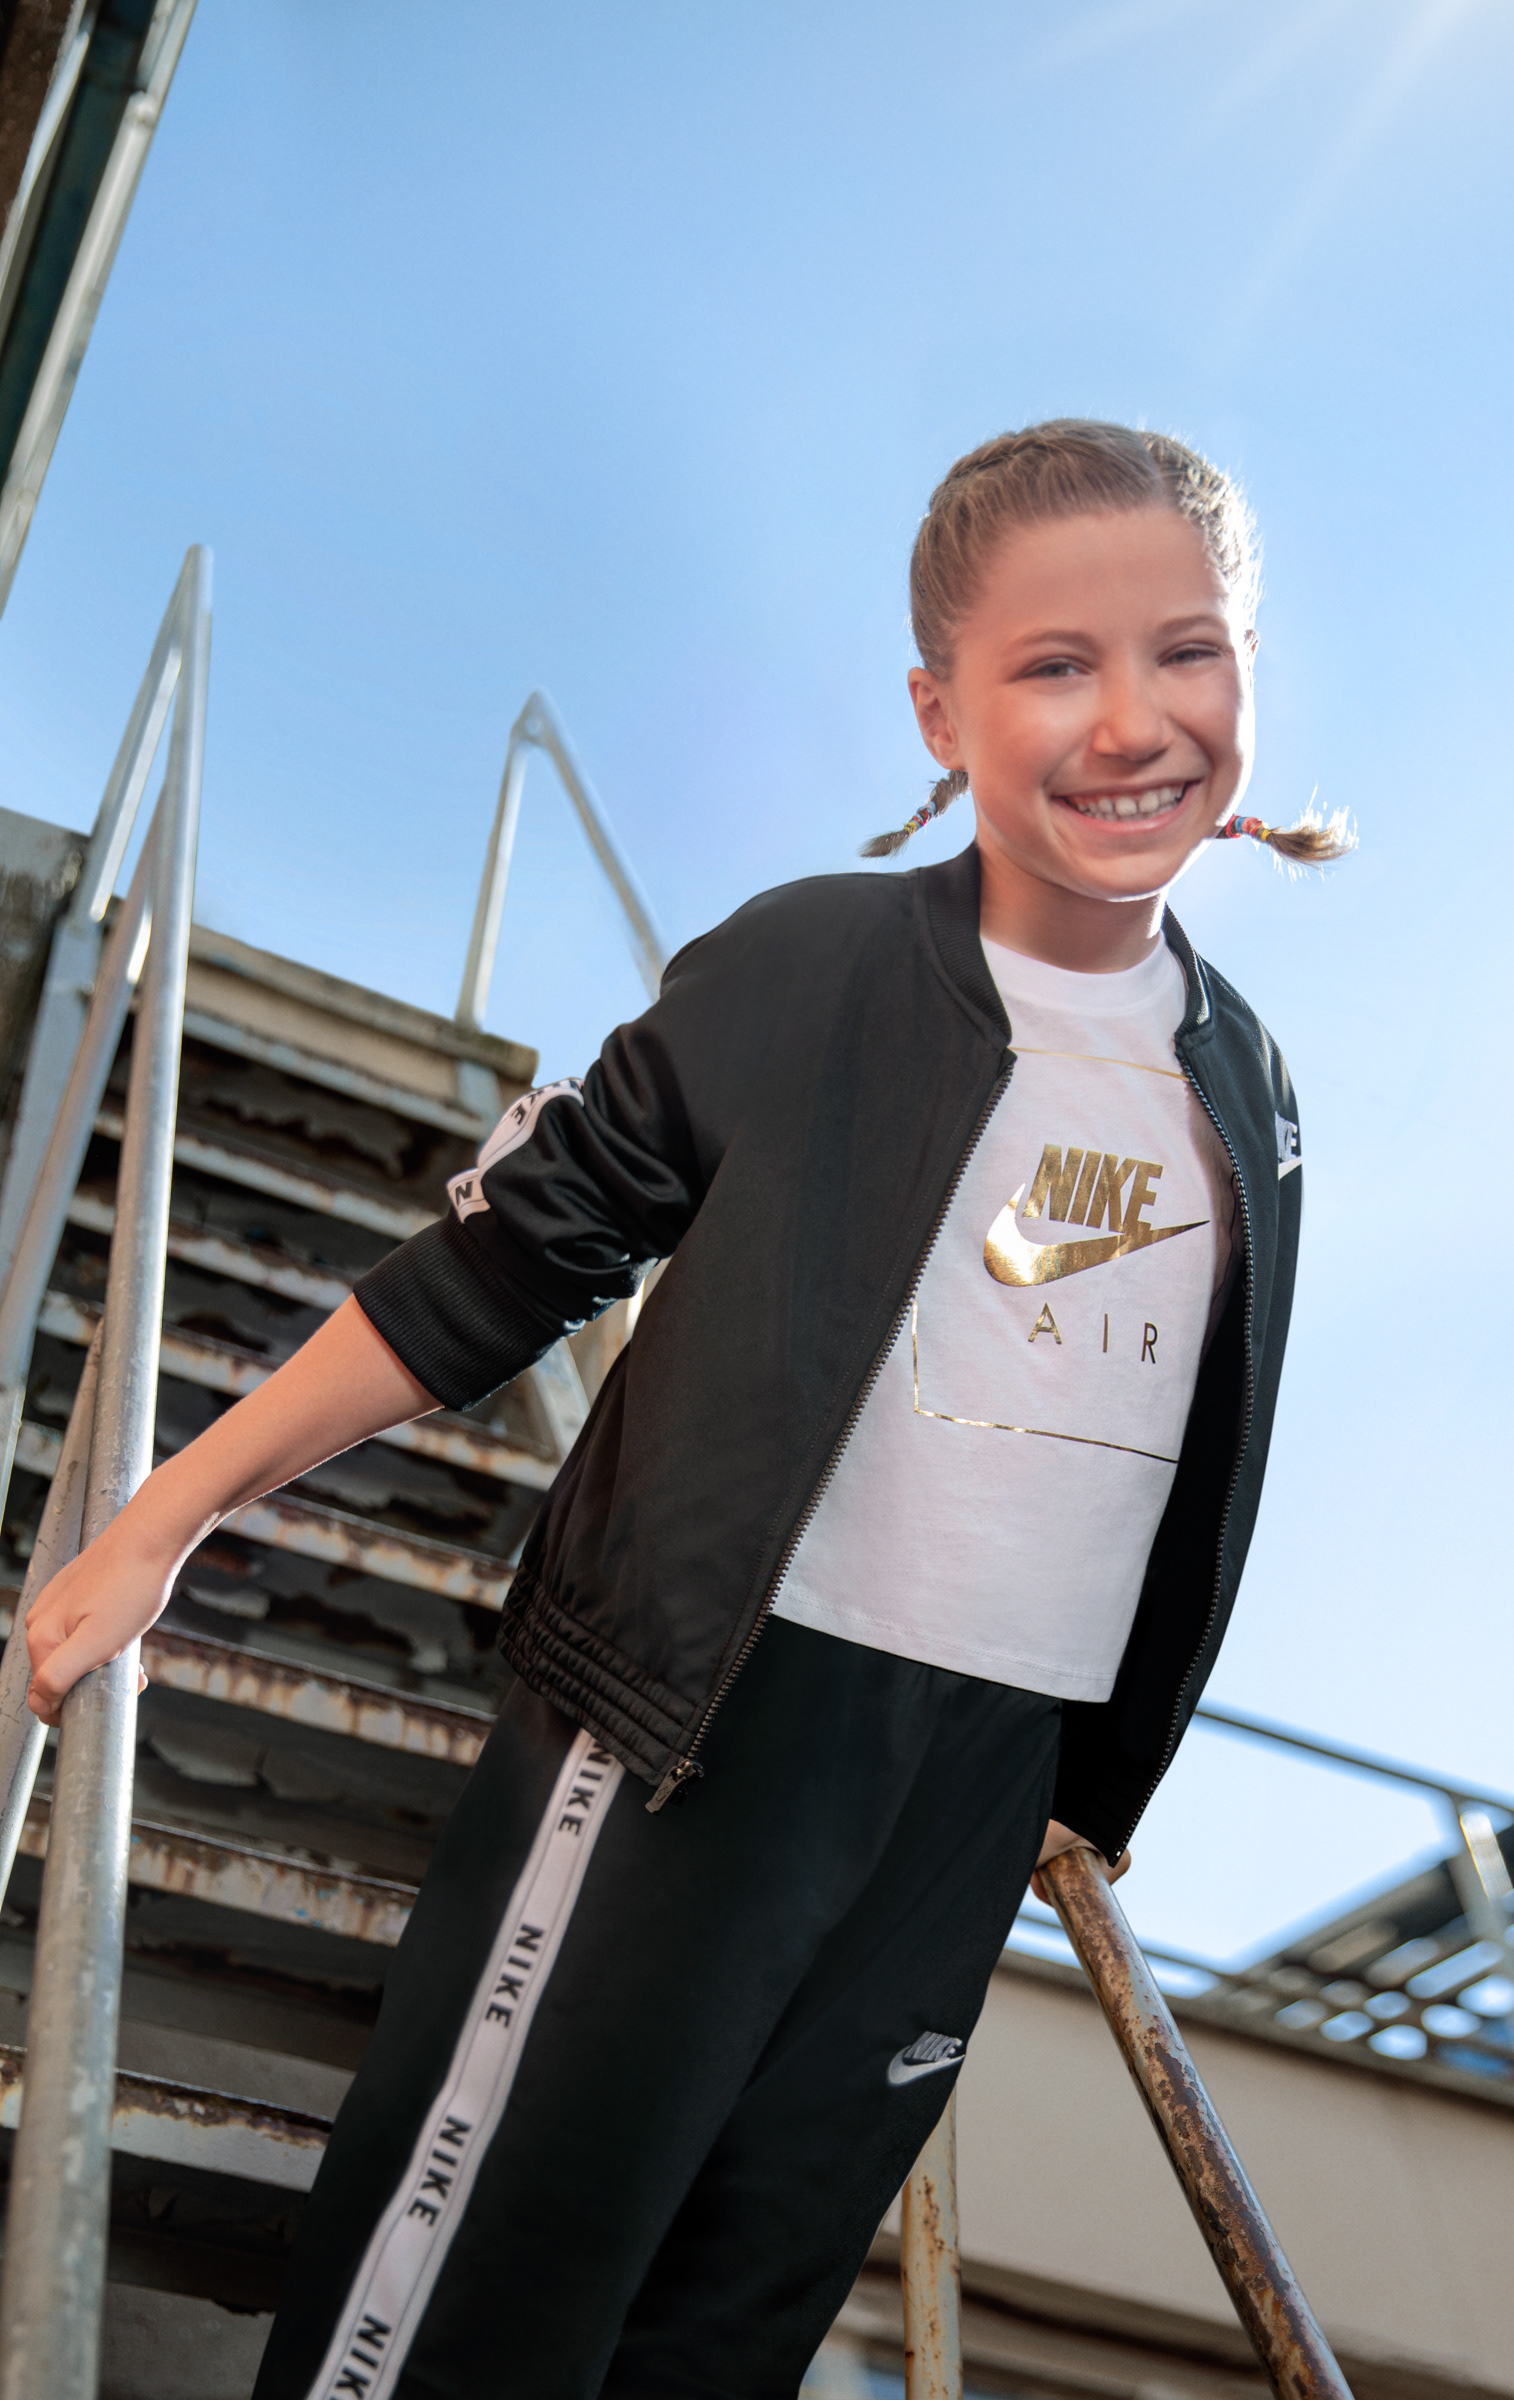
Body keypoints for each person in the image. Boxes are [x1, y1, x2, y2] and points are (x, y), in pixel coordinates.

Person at [26, 420, 1349, 2400]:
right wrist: (166, 1516)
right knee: (463, 2318)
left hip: (979, 1790)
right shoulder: (812, 964)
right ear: (940, 710)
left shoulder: (1248, 1081)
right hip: (704, 1721)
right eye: (1052, 665)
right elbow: (498, 1268)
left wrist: (1086, 1772)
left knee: (723, 2341)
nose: (1130, 721)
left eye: (1186, 650)